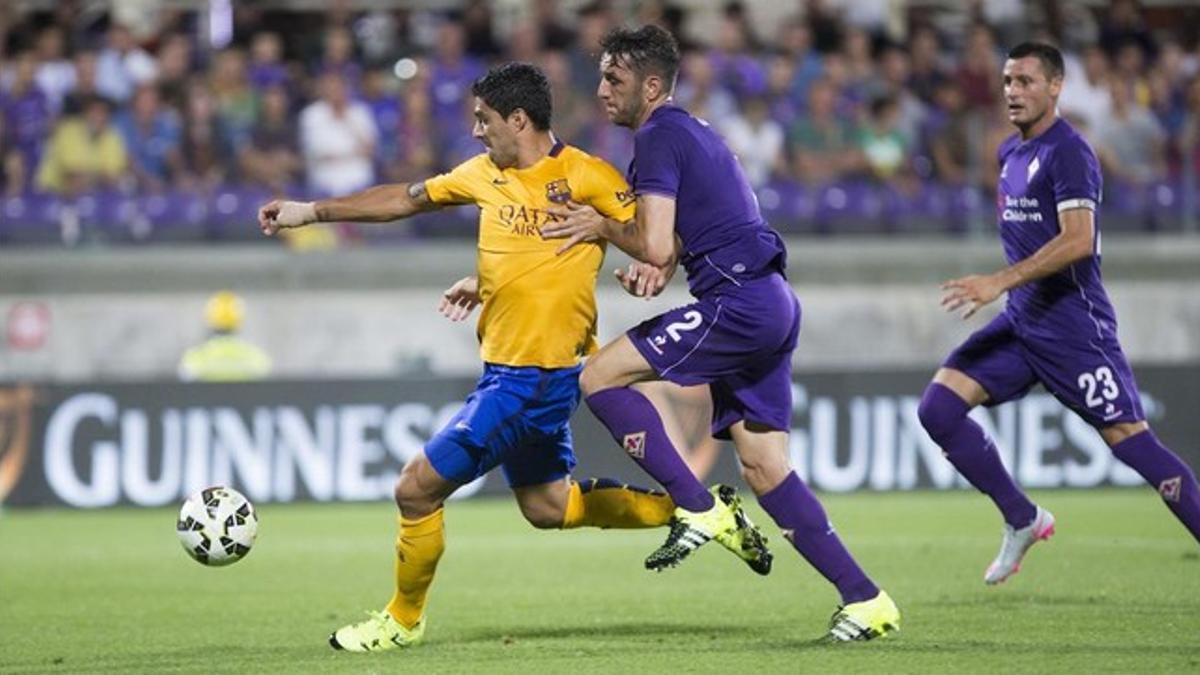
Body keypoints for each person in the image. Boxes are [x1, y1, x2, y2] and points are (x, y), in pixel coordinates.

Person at [255, 63, 762, 654]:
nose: (475, 131)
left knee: (415, 490)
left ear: (517, 119)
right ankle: (697, 510)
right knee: (548, 506)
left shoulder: (586, 176)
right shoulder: (481, 174)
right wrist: (313, 210)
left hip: (536, 380)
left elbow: (659, 239)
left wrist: (650, 269)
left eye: (483, 119)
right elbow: (406, 199)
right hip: (505, 370)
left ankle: (401, 619)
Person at [540, 25, 899, 642]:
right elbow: (678, 236)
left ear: (651, 86)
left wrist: (603, 227)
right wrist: (663, 266)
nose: (601, 89)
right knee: (763, 465)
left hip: (739, 303)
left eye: (614, 79)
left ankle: (698, 506)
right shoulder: (686, 130)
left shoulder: (656, 136)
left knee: (599, 375)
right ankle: (867, 600)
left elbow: (652, 238)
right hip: (768, 299)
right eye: (601, 76)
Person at [916, 42, 1200, 586]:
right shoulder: (1009, 153)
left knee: (1132, 443)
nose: (1013, 92)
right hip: (1023, 322)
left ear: (1055, 87)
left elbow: (1078, 241)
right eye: (1006, 82)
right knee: (939, 409)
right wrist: (1009, 293)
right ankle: (1022, 518)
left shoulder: (1071, 152)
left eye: (1025, 81)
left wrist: (997, 281)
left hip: (1073, 326)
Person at [178, 291, 272, 382]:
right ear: (239, 322)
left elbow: (185, 385)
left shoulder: (196, 358)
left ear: (209, 321)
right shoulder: (255, 358)